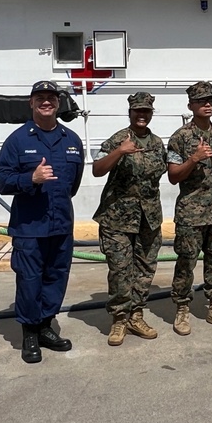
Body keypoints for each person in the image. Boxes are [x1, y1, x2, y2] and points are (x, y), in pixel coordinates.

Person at [0, 80, 85, 364]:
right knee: (30, 280)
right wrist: (30, 179)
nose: (46, 102)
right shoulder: (18, 140)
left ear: (58, 103)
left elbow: (74, 184)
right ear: (31, 103)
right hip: (30, 227)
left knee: (56, 276)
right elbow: (2, 181)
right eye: (40, 98)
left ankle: (46, 326)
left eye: (51, 98)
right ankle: (30, 333)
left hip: (60, 224)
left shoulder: (71, 140)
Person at [92, 92, 168, 346]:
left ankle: (136, 315)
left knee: (145, 269)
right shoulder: (118, 139)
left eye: (146, 111)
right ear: (130, 113)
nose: (142, 116)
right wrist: (120, 152)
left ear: (151, 113)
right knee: (120, 270)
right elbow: (97, 169)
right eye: (138, 111)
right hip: (117, 218)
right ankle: (119, 319)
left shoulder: (157, 143)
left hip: (149, 218)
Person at [167, 81, 212, 335]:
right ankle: (182, 309)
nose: (207, 104)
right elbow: (174, 175)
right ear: (190, 105)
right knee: (186, 262)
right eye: (201, 101)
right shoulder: (181, 138)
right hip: (191, 212)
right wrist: (194, 159)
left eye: (210, 100)